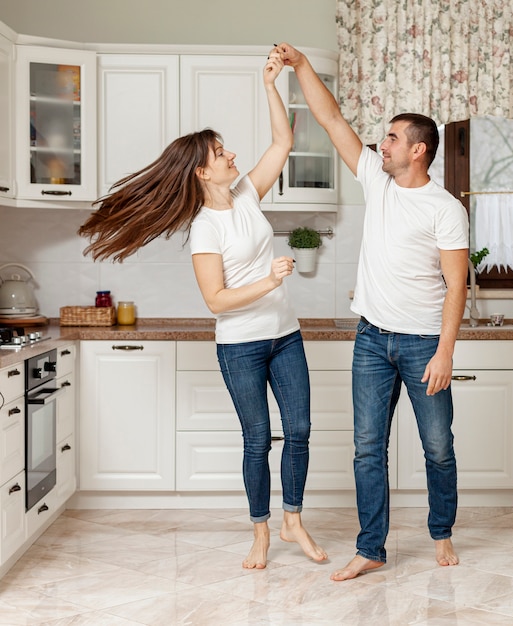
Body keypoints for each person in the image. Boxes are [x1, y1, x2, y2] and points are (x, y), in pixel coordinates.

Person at [78, 47, 327, 570]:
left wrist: (270, 85)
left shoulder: (247, 195)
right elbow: (216, 300)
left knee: (299, 431)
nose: (231, 154)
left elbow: (283, 141)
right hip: (240, 345)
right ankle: (259, 531)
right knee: (258, 439)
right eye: (220, 152)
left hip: (285, 335)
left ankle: (292, 521)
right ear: (199, 171)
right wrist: (268, 279)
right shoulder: (204, 230)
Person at [278, 43, 469, 581]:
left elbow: (457, 287)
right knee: (367, 450)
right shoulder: (375, 182)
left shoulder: (445, 209)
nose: (380, 144)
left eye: (391, 138)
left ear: (418, 151)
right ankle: (371, 548)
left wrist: (445, 353)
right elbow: (330, 116)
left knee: (437, 447)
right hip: (372, 340)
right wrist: (300, 66)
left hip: (423, 343)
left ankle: (441, 532)